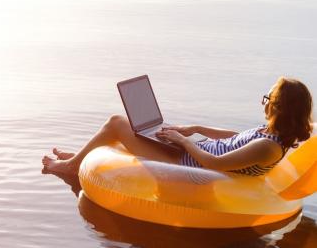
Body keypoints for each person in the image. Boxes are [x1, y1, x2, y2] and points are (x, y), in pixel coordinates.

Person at [42, 77, 313, 176]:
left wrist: (183, 142)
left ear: (278, 108)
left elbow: (215, 165)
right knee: (139, 129)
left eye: (267, 99)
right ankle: (78, 157)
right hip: (191, 149)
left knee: (116, 123)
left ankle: (70, 166)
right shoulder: (270, 135)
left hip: (186, 161)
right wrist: (193, 128)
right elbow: (235, 138)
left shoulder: (268, 147)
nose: (263, 103)